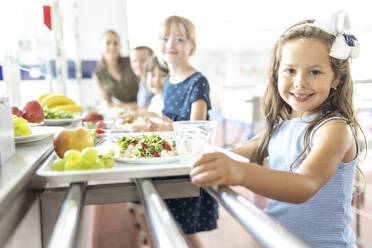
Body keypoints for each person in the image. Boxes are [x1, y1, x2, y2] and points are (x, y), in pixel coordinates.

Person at [190, 10, 365, 248]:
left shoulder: (334, 129)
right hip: (279, 241)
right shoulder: (280, 127)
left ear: (336, 79)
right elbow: (233, 154)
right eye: (290, 70)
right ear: (276, 73)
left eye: (314, 72)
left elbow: (305, 184)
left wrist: (238, 172)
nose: (300, 81)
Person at [150, 15, 219, 248]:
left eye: (179, 39)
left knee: (184, 232)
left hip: (187, 166)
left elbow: (195, 129)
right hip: (170, 161)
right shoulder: (168, 82)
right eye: (165, 38)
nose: (171, 44)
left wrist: (167, 127)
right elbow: (170, 122)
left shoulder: (197, 82)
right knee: (167, 226)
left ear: (192, 47)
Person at [94, 30, 139, 108]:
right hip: (127, 113)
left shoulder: (132, 62)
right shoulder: (99, 75)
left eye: (116, 43)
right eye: (108, 43)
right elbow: (109, 103)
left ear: (120, 46)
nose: (112, 47)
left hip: (146, 107)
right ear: (100, 46)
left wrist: (127, 105)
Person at [129, 56, 169, 132]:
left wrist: (155, 116)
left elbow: (169, 126)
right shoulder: (155, 99)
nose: (156, 80)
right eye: (153, 75)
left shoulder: (170, 101)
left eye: (163, 75)